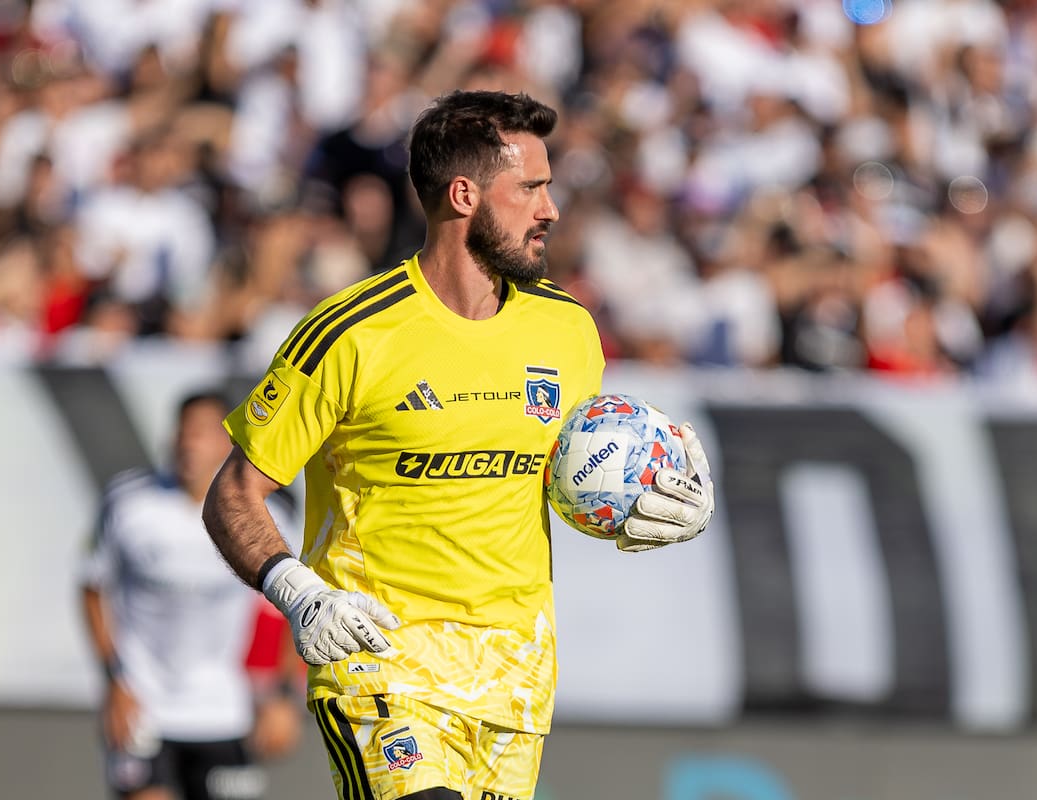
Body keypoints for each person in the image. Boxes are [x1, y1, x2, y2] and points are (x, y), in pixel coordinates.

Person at [201, 90, 715, 800]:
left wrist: (648, 501)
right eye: (531, 187)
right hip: (380, 658)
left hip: (513, 674)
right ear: (464, 193)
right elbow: (233, 493)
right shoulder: (352, 333)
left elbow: (557, 482)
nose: (550, 209)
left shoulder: (567, 330)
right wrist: (300, 595)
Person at [81, 390, 303, 800]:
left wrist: (283, 695)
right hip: (143, 709)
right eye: (183, 431)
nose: (188, 442)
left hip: (223, 710)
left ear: (229, 442)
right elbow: (92, 590)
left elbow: (297, 605)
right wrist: (114, 682)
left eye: (201, 432)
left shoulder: (267, 515)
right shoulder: (129, 503)